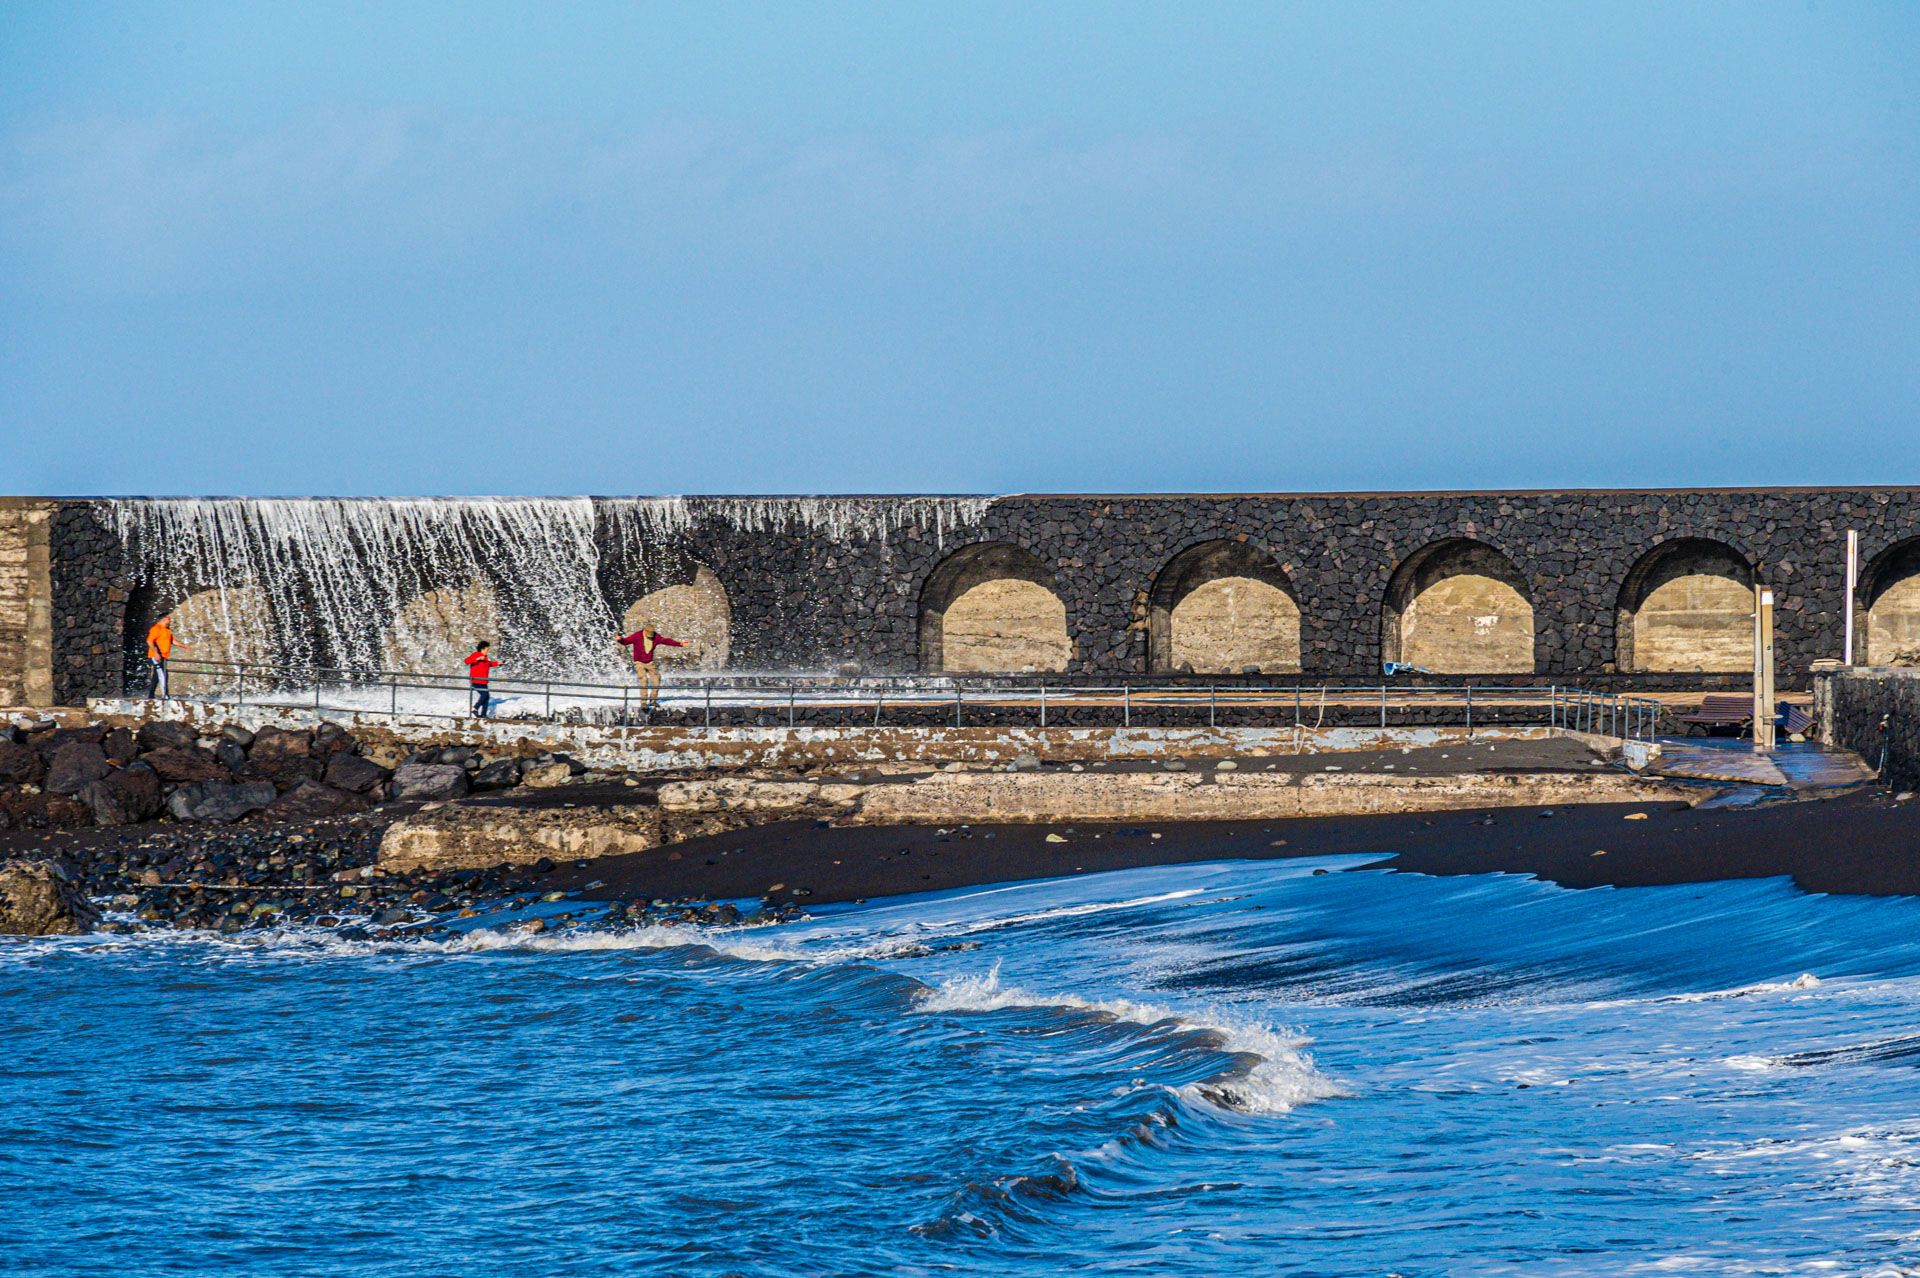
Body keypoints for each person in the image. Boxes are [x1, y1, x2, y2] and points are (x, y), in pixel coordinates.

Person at [616, 624, 683, 708]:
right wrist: (620, 640)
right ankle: (643, 702)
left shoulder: (655, 636)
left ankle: (653, 700)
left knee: (657, 678)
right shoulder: (637, 636)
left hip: (649, 662)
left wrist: (679, 644)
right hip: (639, 662)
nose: (650, 636)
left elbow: (666, 641)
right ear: (644, 630)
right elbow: (626, 641)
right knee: (644, 679)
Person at [145, 614, 183, 698]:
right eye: (168, 618)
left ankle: (151, 695)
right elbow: (149, 641)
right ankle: (165, 696)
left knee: (157, 676)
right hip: (155, 656)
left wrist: (183, 645)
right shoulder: (156, 628)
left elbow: (172, 640)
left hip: (163, 656)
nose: (170, 619)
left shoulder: (167, 630)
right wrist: (156, 653)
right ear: (163, 619)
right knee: (163, 674)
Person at [464, 641, 503, 717]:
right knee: (484, 694)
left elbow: (488, 664)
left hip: (483, 681)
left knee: (486, 697)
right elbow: (466, 661)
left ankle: (483, 715)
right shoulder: (476, 654)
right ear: (482, 648)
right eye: (487, 649)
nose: (488, 651)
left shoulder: (485, 657)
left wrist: (498, 664)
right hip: (476, 681)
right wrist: (477, 659)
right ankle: (475, 707)